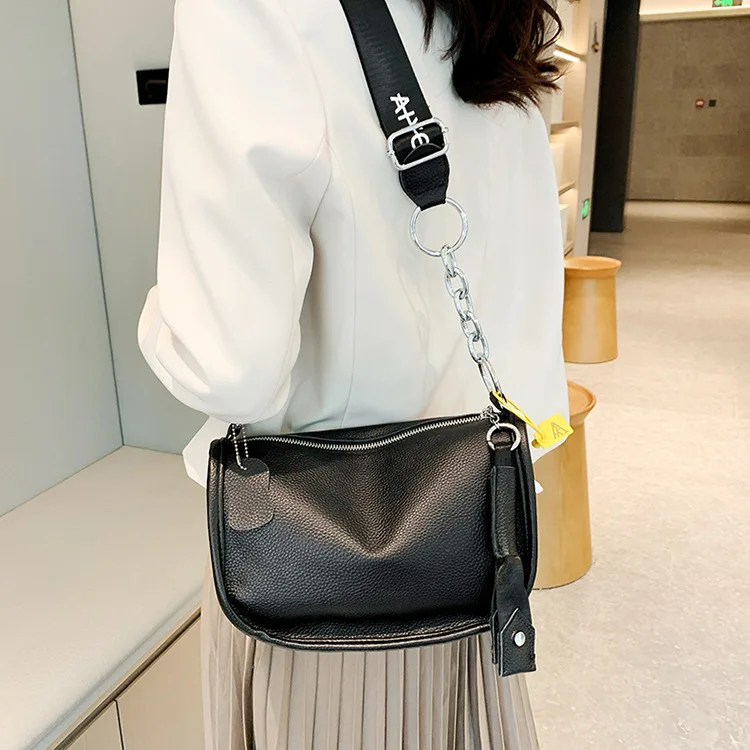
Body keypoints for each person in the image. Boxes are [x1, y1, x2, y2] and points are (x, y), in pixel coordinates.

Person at [139, 0, 568, 747]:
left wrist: (155, 317)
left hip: (323, 580)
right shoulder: (501, 13)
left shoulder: (250, 11)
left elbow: (228, 367)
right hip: (473, 542)